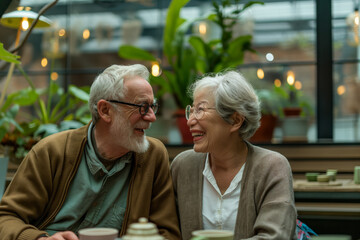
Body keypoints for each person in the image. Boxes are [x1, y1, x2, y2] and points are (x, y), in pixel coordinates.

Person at [0, 64, 180, 240]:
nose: (152, 117)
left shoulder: (153, 156)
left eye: (152, 106)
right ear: (105, 110)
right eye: (142, 107)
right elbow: (6, 218)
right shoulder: (51, 152)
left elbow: (168, 233)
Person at [171, 70, 297, 240]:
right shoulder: (183, 166)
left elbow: (274, 237)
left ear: (235, 120)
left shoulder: (272, 166)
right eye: (191, 110)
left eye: (200, 110)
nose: (190, 121)